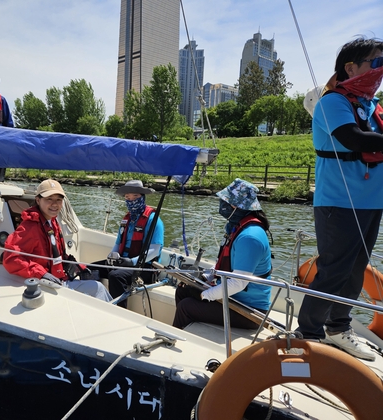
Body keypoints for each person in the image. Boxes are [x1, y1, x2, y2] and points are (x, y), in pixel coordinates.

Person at [296, 37, 383, 361]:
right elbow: (353, 138)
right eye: (375, 63)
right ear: (351, 67)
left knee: (356, 269)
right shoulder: (332, 103)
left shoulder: (373, 107)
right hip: (339, 200)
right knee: (334, 269)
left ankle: (338, 327)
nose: (380, 70)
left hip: (372, 201)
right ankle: (309, 333)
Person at [173, 178, 272, 330]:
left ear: (237, 205)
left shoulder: (250, 237)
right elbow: (226, 264)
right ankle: (184, 333)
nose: (222, 203)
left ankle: (177, 338)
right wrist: (206, 277)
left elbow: (238, 283)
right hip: (232, 298)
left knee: (186, 306)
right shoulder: (237, 227)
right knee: (182, 290)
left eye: (226, 200)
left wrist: (202, 295)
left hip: (249, 310)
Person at [3, 179, 112, 302]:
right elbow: (10, 258)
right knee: (99, 289)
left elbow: (56, 255)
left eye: (58, 200)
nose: (54, 204)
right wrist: (41, 274)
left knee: (99, 284)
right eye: (49, 199)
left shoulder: (52, 221)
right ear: (38, 200)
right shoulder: (29, 227)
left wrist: (77, 266)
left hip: (59, 279)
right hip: (47, 285)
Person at [94, 180, 164, 306]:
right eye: (127, 197)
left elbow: (155, 250)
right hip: (125, 261)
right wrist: (113, 255)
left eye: (135, 197)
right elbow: (118, 243)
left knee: (116, 276)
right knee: (90, 268)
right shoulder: (126, 219)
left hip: (145, 267)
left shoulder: (154, 220)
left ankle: (118, 312)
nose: (131, 200)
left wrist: (132, 262)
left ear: (142, 197)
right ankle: (94, 301)